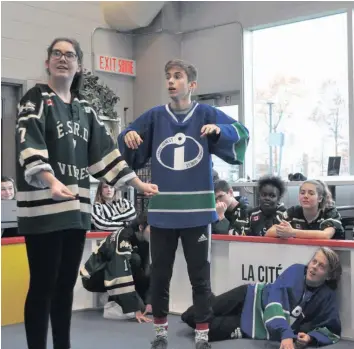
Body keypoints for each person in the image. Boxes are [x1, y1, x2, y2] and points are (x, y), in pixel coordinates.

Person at [15, 37, 158, 349]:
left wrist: (137, 184)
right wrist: (50, 181)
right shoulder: (35, 98)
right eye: (57, 54)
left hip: (75, 212)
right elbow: (29, 142)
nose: (63, 59)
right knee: (42, 285)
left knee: (65, 287)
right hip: (42, 210)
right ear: (47, 62)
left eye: (70, 55)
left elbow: (105, 155)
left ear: (78, 64)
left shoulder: (85, 111)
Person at [118, 59, 249, 349]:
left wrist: (220, 131)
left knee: (199, 277)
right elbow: (126, 142)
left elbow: (241, 133)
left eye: (177, 76)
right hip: (163, 211)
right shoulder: (153, 116)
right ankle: (161, 332)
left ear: (191, 85)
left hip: (198, 212)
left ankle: (203, 333)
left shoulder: (206, 113)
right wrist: (129, 135)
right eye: (168, 76)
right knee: (160, 275)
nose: (170, 81)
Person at [182, 247, 342, 348]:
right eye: (314, 261)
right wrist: (286, 334)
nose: (314, 267)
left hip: (253, 325)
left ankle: (216, 308)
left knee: (202, 328)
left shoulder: (327, 296)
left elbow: (331, 330)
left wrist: (310, 338)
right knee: (189, 315)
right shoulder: (296, 270)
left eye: (321, 266)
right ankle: (212, 300)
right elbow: (275, 302)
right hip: (249, 298)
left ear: (329, 276)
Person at [80, 225, 151, 323]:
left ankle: (119, 298)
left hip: (111, 272)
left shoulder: (144, 240)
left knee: (145, 267)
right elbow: (121, 273)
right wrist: (136, 309)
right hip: (92, 277)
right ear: (141, 227)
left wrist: (148, 302)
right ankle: (112, 298)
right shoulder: (123, 237)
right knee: (134, 259)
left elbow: (143, 272)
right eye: (152, 228)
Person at [266, 179, 344, 240]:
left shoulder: (330, 212)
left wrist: (292, 232)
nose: (305, 196)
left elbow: (326, 235)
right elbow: (269, 233)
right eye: (302, 193)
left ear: (320, 198)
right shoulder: (292, 212)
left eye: (311, 193)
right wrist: (282, 231)